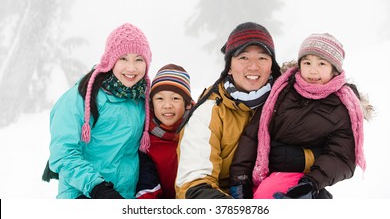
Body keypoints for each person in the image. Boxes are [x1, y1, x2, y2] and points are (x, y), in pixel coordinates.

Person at [231, 32, 373, 199]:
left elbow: (341, 155)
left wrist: (311, 184)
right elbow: (253, 135)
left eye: (321, 63)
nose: (313, 71)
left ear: (334, 70)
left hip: (304, 178)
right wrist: (239, 178)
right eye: (307, 63)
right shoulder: (282, 91)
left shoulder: (342, 106)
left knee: (268, 195)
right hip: (261, 172)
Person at [174, 21, 284, 199]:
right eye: (243, 57)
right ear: (229, 67)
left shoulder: (285, 103)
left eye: (262, 58)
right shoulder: (209, 110)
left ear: (271, 65)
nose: (254, 66)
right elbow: (193, 182)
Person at [47, 23, 152, 199]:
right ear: (111, 60)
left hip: (124, 196)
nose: (131, 68)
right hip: (83, 194)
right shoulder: (83, 96)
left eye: (139, 59)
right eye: (123, 59)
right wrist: (97, 188)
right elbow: (63, 153)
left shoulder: (142, 99)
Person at [136, 64, 194, 199]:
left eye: (175, 98)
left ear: (188, 104)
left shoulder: (197, 131)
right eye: (160, 98)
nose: (167, 105)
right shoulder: (145, 138)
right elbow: (145, 185)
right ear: (151, 103)